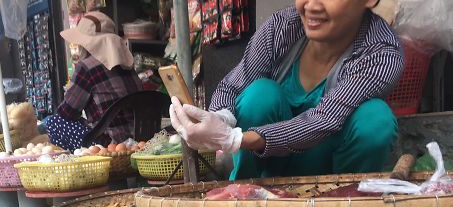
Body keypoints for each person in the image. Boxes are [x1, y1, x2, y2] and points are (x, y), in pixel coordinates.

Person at [170, 0, 404, 180]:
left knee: (375, 120)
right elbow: (233, 84)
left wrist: (236, 138)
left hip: (331, 174)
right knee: (260, 94)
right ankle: (244, 196)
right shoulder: (282, 27)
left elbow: (322, 121)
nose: (311, 6)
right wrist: (220, 118)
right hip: (267, 172)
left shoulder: (381, 52)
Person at [45, 11, 142, 150]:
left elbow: (66, 113)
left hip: (110, 145)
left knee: (54, 123)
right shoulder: (127, 66)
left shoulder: (86, 68)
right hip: (140, 140)